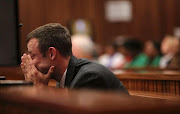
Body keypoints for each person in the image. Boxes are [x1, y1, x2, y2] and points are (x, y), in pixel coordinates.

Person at [21, 23, 129, 94]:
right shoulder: (65, 77)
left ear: (51, 54)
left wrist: (39, 91)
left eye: (32, 55)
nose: (29, 62)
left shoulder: (90, 78)